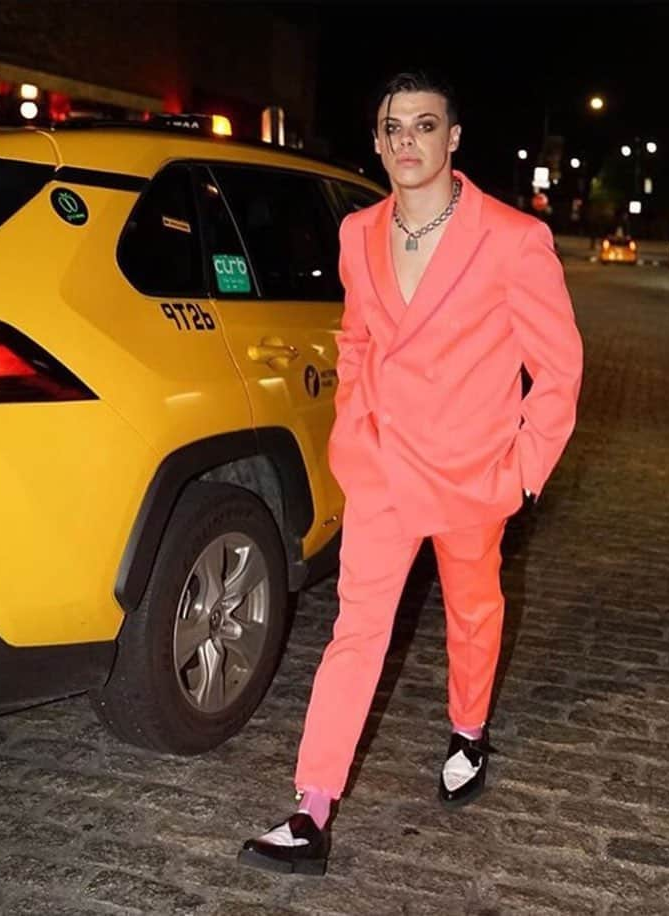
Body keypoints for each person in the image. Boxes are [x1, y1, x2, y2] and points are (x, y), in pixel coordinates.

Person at [238, 70, 583, 875]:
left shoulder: (512, 238)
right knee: (354, 632)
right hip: (384, 469)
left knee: (472, 612)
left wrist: (524, 471)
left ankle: (468, 728)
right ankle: (311, 807)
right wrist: (351, 434)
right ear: (378, 142)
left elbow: (558, 368)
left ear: (453, 138)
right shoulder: (358, 230)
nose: (406, 143)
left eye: (424, 126)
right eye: (393, 129)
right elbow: (356, 338)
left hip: (473, 474)